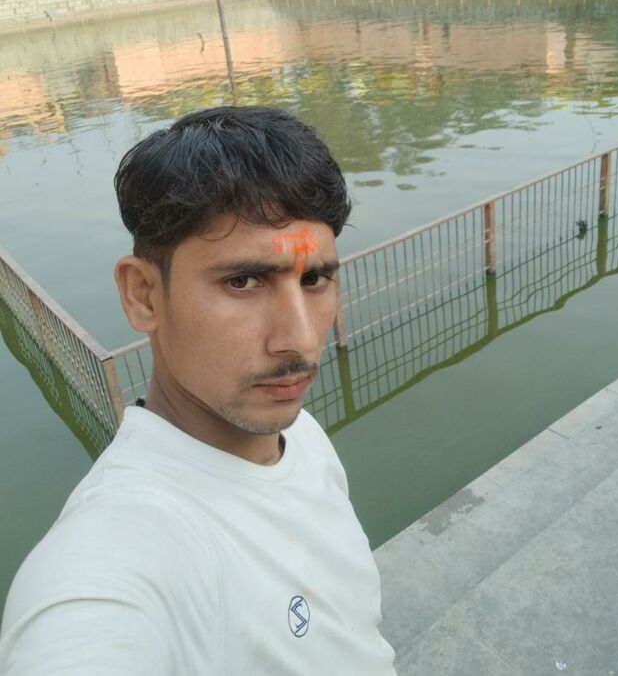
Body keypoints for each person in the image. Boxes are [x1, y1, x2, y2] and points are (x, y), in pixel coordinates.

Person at [0, 107, 397, 676]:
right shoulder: (111, 564)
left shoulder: (300, 434)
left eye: (315, 279)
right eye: (243, 281)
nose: (301, 339)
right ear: (143, 295)